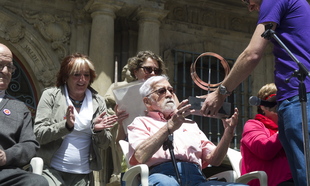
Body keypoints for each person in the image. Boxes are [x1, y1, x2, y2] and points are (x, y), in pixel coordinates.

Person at [201, 0, 310, 186]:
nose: (250, 7)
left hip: (302, 96)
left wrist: (221, 92)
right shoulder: (297, 2)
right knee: (307, 176)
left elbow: (252, 54)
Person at [127, 75, 247, 186]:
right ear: (147, 102)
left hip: (197, 178)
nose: (169, 94)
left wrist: (228, 133)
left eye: (171, 90)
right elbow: (139, 156)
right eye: (161, 91)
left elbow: (214, 160)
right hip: (162, 176)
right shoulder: (140, 122)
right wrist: (169, 127)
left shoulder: (190, 124)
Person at [34, 53, 117, 186]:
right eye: (76, 74)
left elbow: (104, 144)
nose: (82, 79)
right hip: (51, 171)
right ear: (66, 77)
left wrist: (98, 131)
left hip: (83, 176)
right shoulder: (50, 96)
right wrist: (65, 126)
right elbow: (38, 134)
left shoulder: (98, 101)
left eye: (86, 75)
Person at [104, 50, 169, 184]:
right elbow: (119, 141)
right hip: (133, 159)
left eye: (156, 71)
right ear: (135, 71)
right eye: (148, 69)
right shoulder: (124, 95)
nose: (152, 73)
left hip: (161, 157)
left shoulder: (167, 94)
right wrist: (120, 121)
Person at [0, 43, 48, 186]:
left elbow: (30, 145)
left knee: (37, 182)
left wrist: (6, 156)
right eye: (0, 65)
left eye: (9, 67)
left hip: (5, 173)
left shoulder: (20, 108)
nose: (5, 71)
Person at [240, 83, 293, 186]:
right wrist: (285, 127)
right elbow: (265, 150)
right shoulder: (253, 125)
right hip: (272, 182)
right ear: (263, 106)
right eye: (276, 101)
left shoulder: (291, 128)